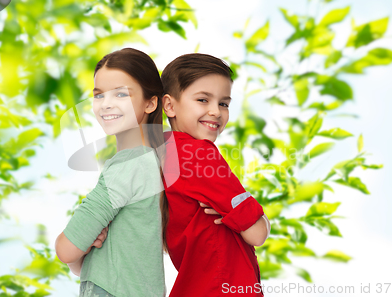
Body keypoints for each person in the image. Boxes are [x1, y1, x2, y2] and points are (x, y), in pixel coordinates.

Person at [54, 48, 222, 297]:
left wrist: (76, 248)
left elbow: (67, 249)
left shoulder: (128, 165)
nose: (106, 104)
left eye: (121, 94)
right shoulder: (156, 162)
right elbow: (83, 263)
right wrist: (82, 252)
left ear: (151, 102)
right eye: (99, 95)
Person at [160, 53, 272, 296]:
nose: (216, 112)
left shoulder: (163, 153)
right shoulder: (200, 154)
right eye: (203, 99)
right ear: (169, 105)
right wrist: (260, 218)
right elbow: (257, 233)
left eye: (224, 103)